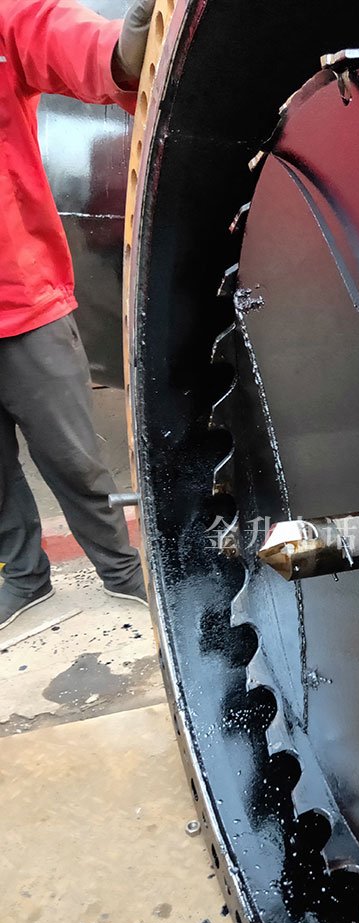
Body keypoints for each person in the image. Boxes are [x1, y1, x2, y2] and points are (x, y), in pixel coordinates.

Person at [0, 0, 154, 630]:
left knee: (72, 458)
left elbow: (65, 41)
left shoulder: (5, 24)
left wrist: (124, 54)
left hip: (21, 299)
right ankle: (24, 579)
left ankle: (122, 571)